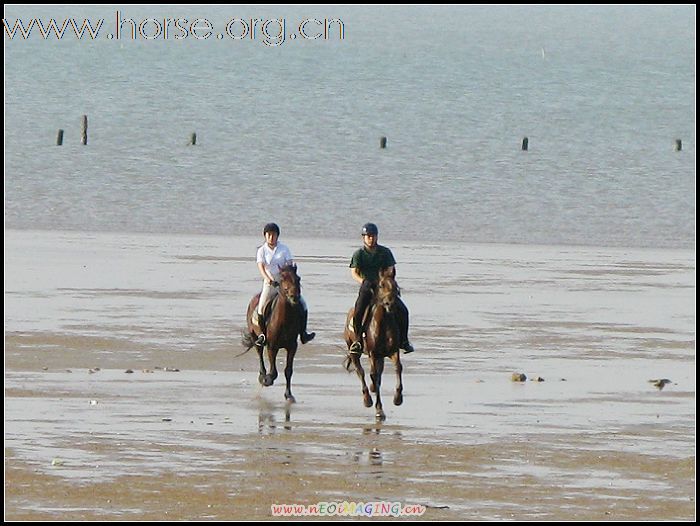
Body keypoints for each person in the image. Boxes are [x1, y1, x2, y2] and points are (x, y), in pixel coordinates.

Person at [348, 222, 414, 356]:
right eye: (368, 236)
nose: (371, 239)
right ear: (363, 238)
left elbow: (390, 268)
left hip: (383, 287)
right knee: (358, 311)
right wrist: (363, 281)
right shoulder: (359, 254)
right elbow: (354, 272)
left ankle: (404, 341)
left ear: (377, 237)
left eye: (373, 236)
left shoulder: (385, 252)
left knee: (403, 310)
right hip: (367, 287)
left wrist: (385, 280)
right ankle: (358, 341)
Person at [254, 223, 315, 347]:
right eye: (269, 235)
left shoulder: (284, 249)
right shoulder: (262, 250)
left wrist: (289, 277)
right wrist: (268, 279)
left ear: (277, 236)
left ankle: (303, 333)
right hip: (270, 282)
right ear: (265, 236)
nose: (271, 237)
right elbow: (261, 267)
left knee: (303, 305)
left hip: (285, 282)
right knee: (261, 307)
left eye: (274, 235)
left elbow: (289, 264)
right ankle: (262, 335)